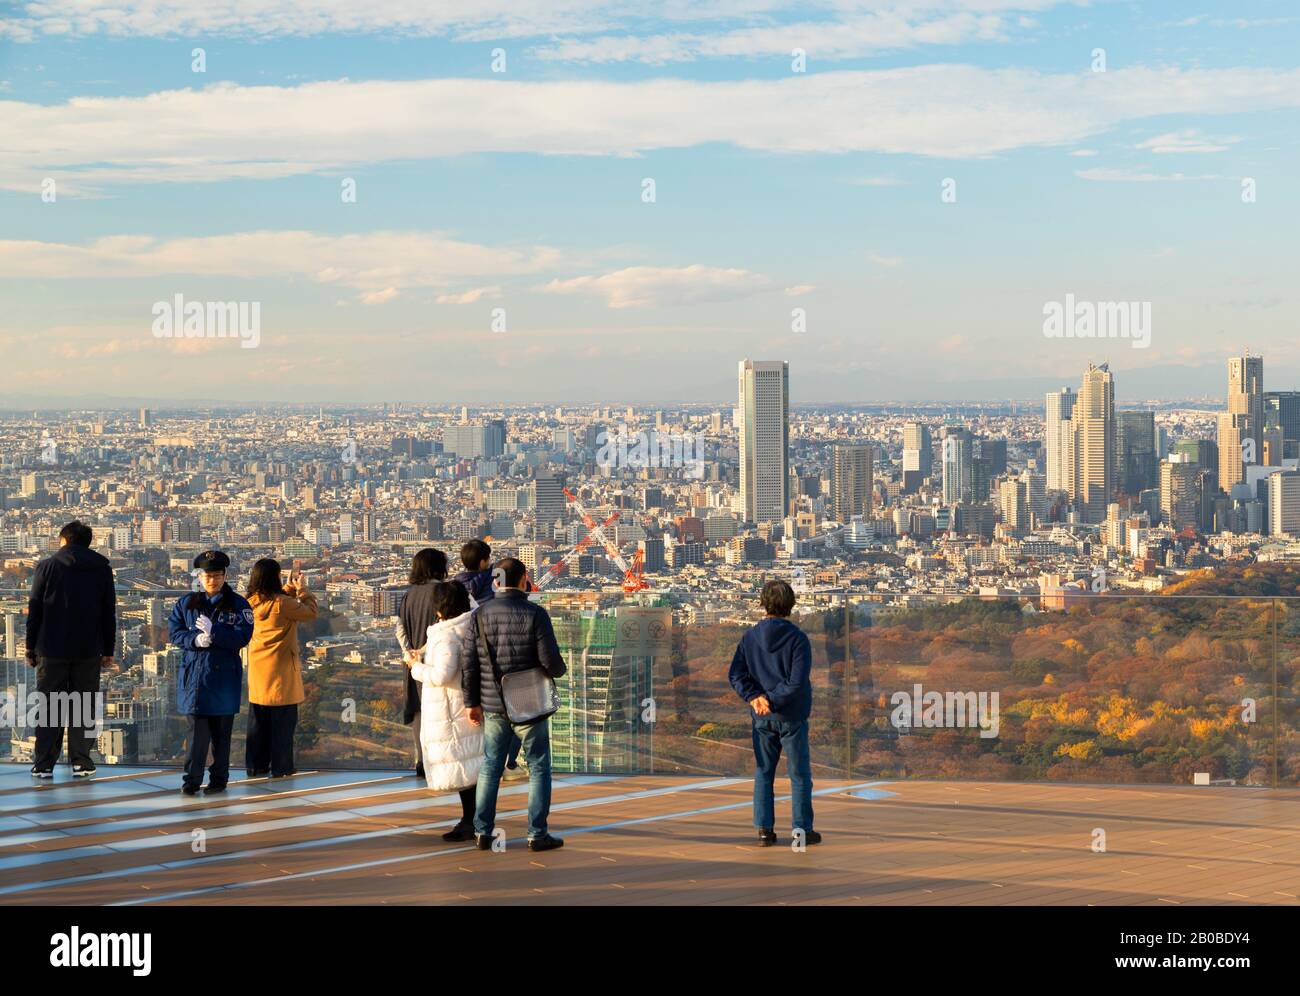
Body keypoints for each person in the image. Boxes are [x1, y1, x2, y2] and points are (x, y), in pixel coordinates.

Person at [466, 557, 567, 852]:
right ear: (524, 578)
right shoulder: (535, 613)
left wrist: (472, 702)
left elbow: (470, 664)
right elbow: (550, 661)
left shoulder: (479, 615)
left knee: (490, 767)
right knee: (538, 767)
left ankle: (482, 832)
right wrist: (559, 671)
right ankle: (537, 834)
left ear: (495, 581)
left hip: (493, 702)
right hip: (529, 703)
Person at [728, 579, 821, 847]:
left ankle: (764, 831)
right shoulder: (798, 639)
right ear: (791, 605)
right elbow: (796, 682)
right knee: (799, 774)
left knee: (763, 773)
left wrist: (755, 698)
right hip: (791, 715)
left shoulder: (749, 636)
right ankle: (801, 831)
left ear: (763, 604)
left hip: (761, 716)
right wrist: (771, 699)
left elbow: (736, 674)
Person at [25, 520, 116, 779]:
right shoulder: (101, 568)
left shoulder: (47, 566)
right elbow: (108, 612)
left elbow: (35, 611)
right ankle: (82, 761)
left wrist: (31, 647)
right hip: (88, 648)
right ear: (87, 542)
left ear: (63, 540)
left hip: (51, 647)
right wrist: (107, 648)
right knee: (84, 705)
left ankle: (43, 763)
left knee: (50, 705)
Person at [169, 550, 253, 796]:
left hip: (223, 679)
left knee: (221, 737)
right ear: (199, 576)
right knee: (196, 738)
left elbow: (243, 636)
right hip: (195, 677)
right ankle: (191, 781)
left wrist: (214, 632)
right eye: (207, 575)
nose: (212, 580)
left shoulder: (239, 604)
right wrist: (195, 639)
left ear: (225, 575)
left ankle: (219, 780)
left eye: (217, 575)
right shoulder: (187, 603)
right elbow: (174, 633)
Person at [405, 580, 483, 841]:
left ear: (439, 608)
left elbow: (442, 674)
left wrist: (415, 666)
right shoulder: (469, 622)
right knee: (470, 765)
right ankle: (473, 820)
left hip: (452, 708)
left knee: (464, 767)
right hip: (465, 705)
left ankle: (472, 822)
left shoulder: (447, 636)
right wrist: (425, 651)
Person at [245, 558, 317, 778]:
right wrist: (302, 589)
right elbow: (309, 612)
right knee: (283, 724)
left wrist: (287, 588)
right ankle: (281, 767)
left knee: (258, 723)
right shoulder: (283, 604)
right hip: (282, 671)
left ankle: (256, 766)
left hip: (259, 671)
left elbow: (274, 603)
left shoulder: (250, 603)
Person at [395, 548, 447, 779]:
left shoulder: (409, 594)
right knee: (438, 710)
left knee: (418, 711)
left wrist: (409, 653)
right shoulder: (443, 592)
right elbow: (442, 628)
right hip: (436, 662)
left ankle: (420, 760)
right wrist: (423, 651)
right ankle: (438, 761)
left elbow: (399, 628)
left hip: (412, 665)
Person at [453, 539, 495, 606]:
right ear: (482, 562)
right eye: (488, 557)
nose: (490, 560)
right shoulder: (492, 580)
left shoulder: (454, 586)